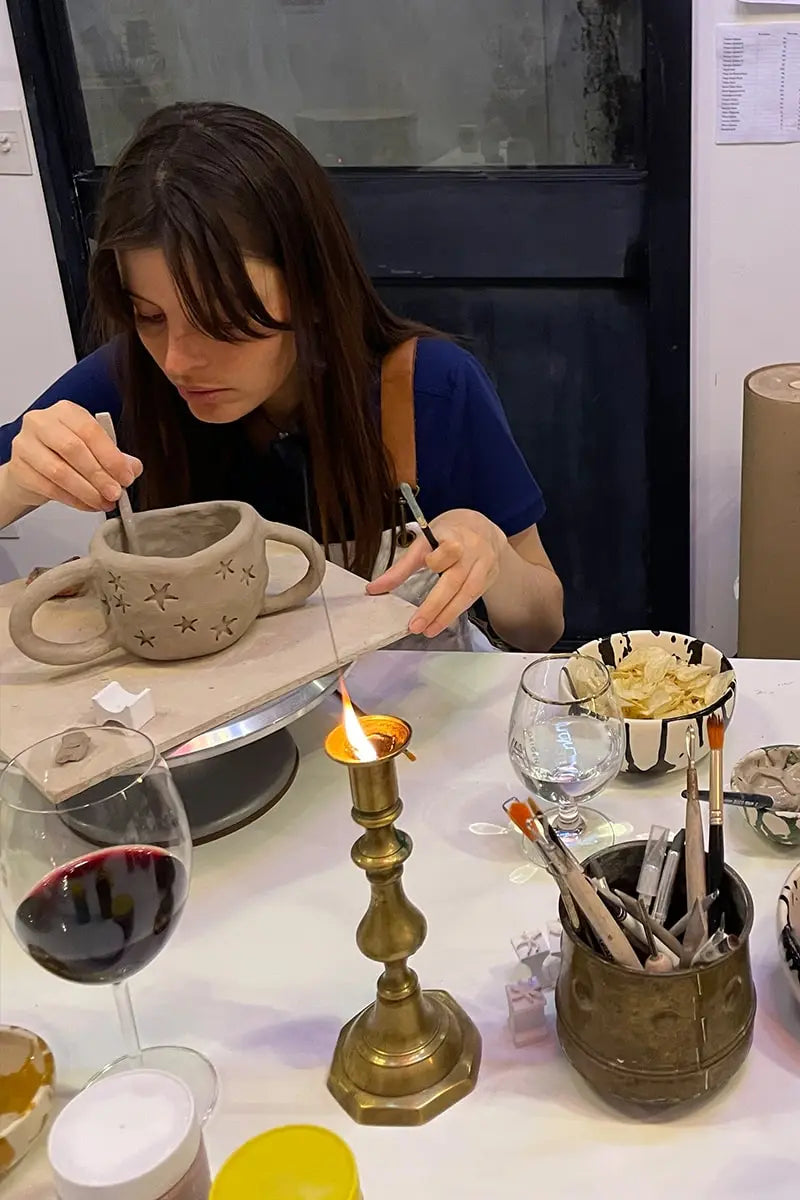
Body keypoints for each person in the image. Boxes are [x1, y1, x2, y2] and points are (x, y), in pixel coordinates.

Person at [0, 102, 563, 652]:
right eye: (149, 316)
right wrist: (18, 482)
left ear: (312, 292)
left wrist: (492, 554)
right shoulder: (128, 381)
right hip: (206, 725)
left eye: (220, 321)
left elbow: (541, 628)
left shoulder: (429, 389)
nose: (176, 361)